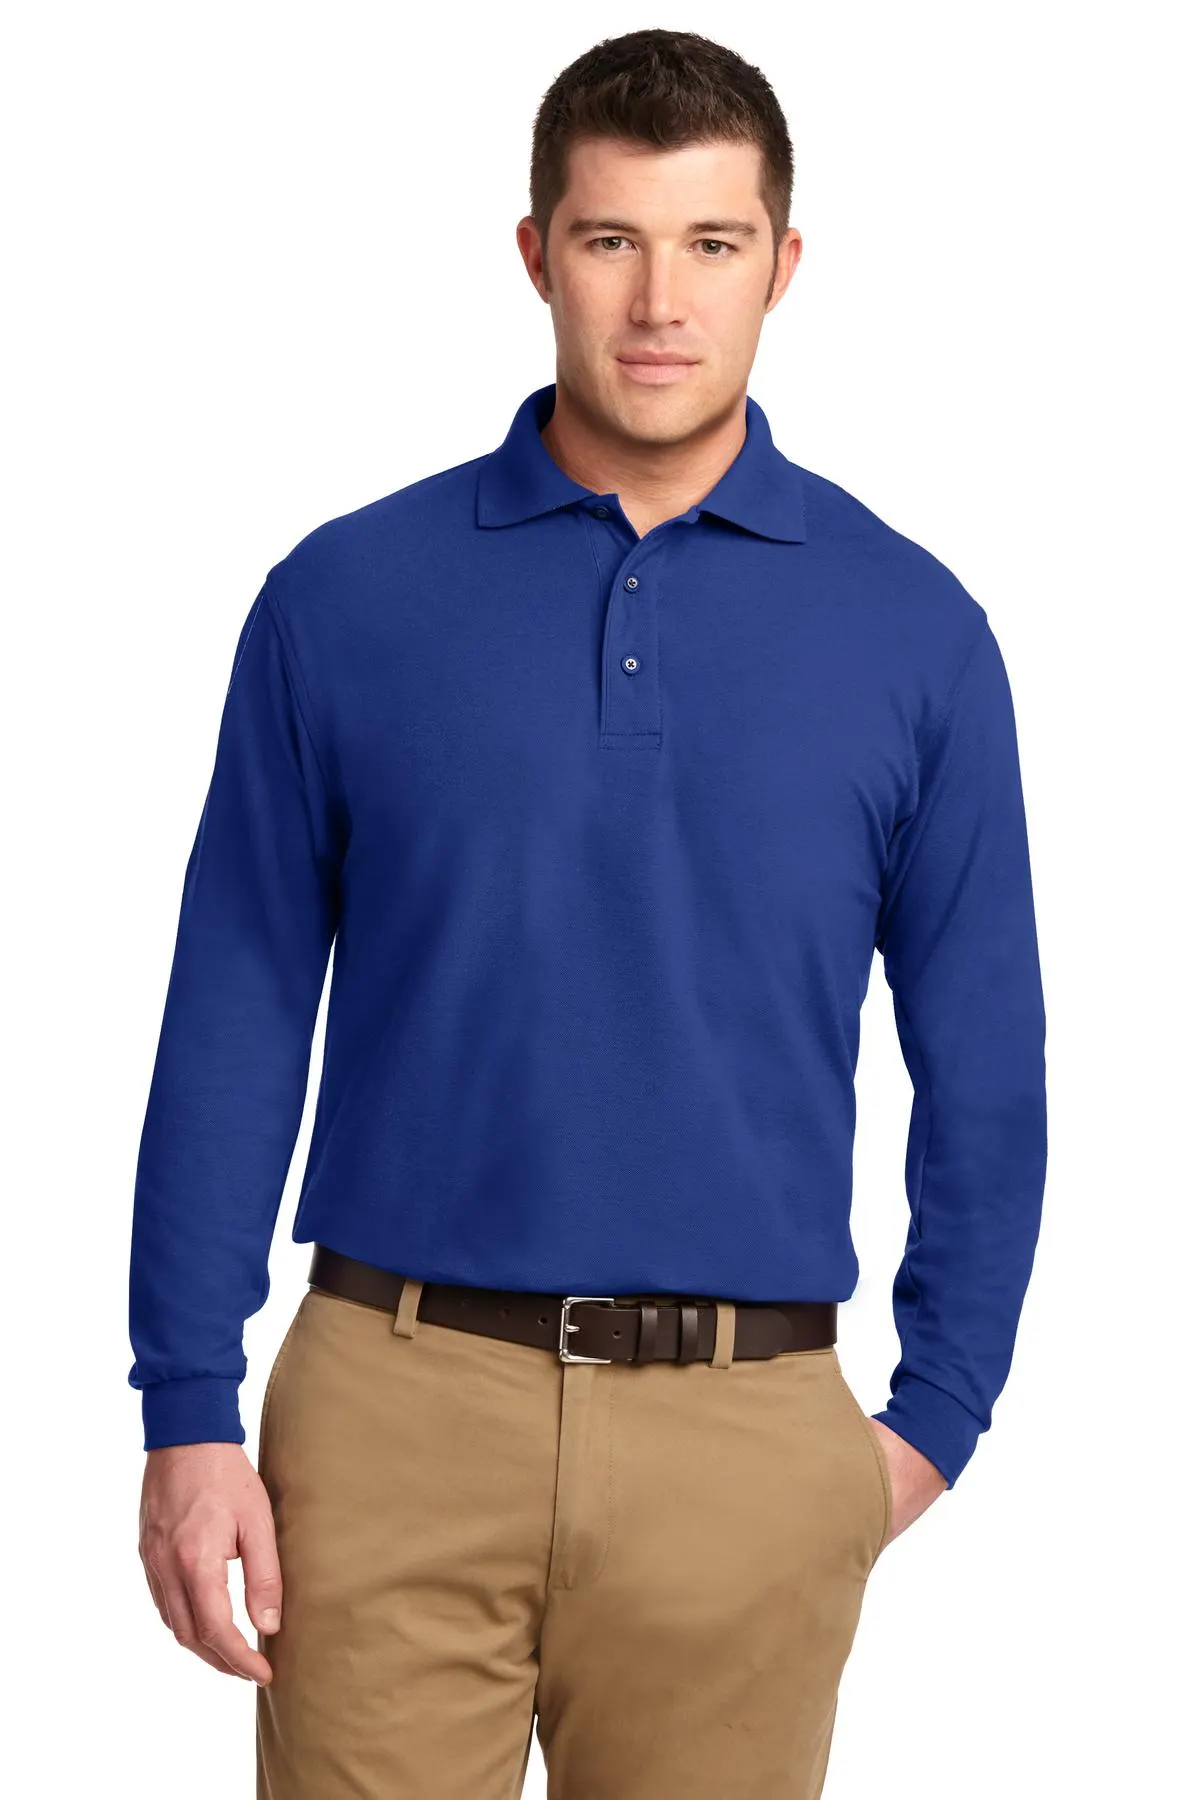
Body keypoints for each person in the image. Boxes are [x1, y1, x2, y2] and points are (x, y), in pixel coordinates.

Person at [130, 26, 1048, 1799]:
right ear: (536, 251)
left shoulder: (916, 633)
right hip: (389, 1420)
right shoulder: (343, 598)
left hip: (746, 1434)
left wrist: (936, 1414)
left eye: (712, 244)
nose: (660, 301)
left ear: (784, 264)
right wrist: (184, 1402)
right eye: (613, 238)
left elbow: (987, 1062)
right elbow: (235, 1009)